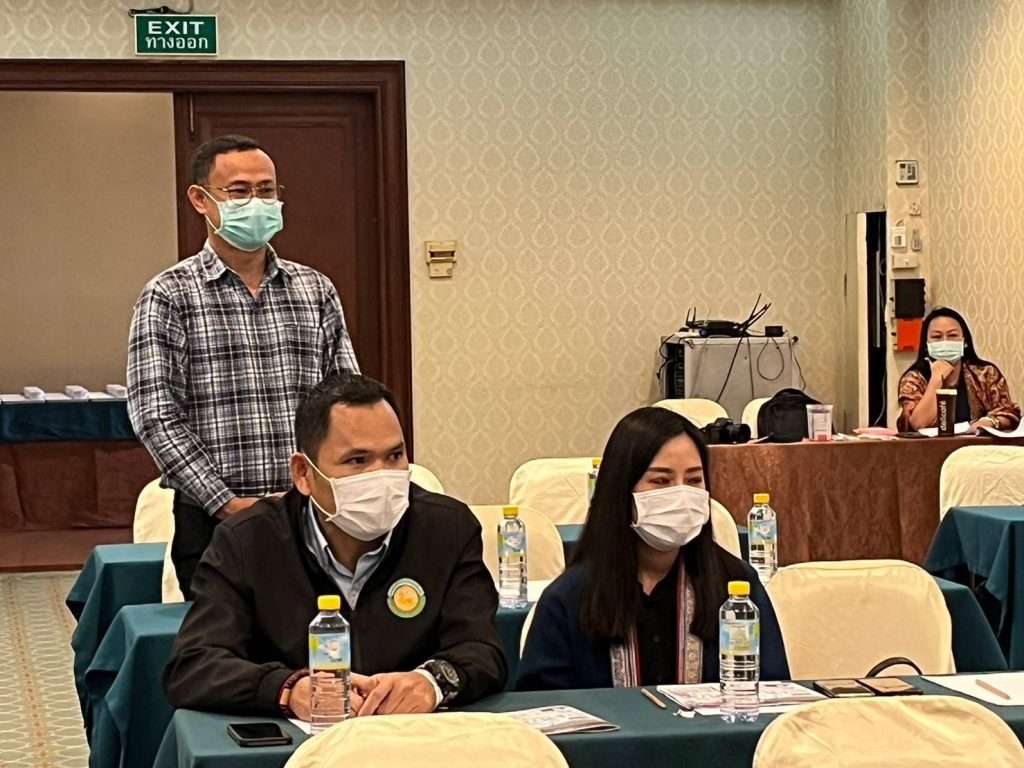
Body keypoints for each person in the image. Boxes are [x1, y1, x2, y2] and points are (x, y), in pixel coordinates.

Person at [163, 374, 506, 718]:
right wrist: (287, 689)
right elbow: (195, 666)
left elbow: (482, 651)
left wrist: (432, 682)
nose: (381, 476)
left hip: (414, 735)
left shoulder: (447, 528)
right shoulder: (247, 541)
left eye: (394, 456)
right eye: (358, 460)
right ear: (303, 473)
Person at [128, 134, 359, 599]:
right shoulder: (169, 295)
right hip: (214, 522)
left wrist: (329, 488)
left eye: (266, 190)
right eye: (239, 191)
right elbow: (155, 415)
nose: (256, 202)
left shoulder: (315, 290)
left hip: (313, 516)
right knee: (226, 642)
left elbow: (347, 401)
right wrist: (226, 503)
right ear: (201, 199)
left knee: (324, 634)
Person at [516, 407, 788, 690]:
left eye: (694, 480)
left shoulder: (737, 584)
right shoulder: (569, 598)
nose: (681, 494)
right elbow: (541, 706)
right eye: (661, 481)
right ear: (622, 490)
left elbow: (776, 693)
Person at [897, 307, 1020, 432]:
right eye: (937, 337)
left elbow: (1009, 413)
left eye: (952, 335)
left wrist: (989, 422)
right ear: (926, 344)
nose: (945, 342)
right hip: (930, 444)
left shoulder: (985, 374)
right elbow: (917, 424)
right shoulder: (914, 379)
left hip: (975, 442)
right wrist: (936, 379)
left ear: (964, 341)